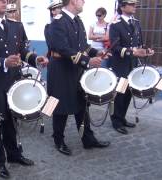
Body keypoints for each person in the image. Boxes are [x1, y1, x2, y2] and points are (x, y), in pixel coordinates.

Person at [0, 0, 48, 178]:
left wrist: (35, 59)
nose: (5, 2)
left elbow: (23, 50)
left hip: (14, 81)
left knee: (13, 120)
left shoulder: (16, 25)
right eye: (0, 0)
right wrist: (3, 62)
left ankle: (14, 155)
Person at [47, 0, 111, 156]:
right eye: (81, 0)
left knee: (82, 104)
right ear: (73, 1)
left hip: (77, 70)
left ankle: (88, 139)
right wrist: (87, 61)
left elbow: (83, 46)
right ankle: (58, 140)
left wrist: (96, 53)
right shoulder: (58, 21)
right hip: (61, 71)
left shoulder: (78, 21)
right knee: (60, 107)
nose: (83, 2)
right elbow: (62, 48)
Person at [109, 0, 154, 134]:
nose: (135, 6)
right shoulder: (115, 25)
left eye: (135, 4)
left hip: (132, 64)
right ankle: (116, 121)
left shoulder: (136, 23)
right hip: (120, 65)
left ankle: (122, 118)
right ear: (122, 7)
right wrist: (133, 52)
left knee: (129, 92)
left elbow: (139, 43)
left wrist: (146, 51)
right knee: (120, 94)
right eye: (132, 4)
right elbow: (115, 47)